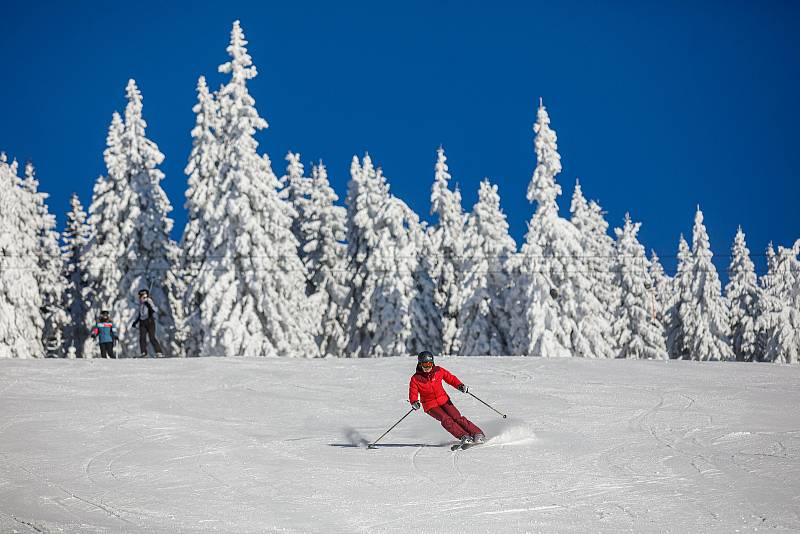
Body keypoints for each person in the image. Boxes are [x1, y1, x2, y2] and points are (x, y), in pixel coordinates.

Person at [408, 351, 485, 447]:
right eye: (425, 364)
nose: (428, 367)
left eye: (429, 364)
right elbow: (413, 392)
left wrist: (459, 385)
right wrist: (414, 402)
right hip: (430, 405)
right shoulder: (416, 379)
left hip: (444, 400)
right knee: (446, 419)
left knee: (457, 417)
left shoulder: (438, 371)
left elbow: (451, 378)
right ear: (420, 364)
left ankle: (477, 433)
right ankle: (464, 436)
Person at [132, 289, 164, 358]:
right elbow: (141, 314)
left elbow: (155, 310)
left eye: (140, 296)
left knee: (152, 337)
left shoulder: (149, 301)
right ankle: (143, 352)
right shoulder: (141, 303)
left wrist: (148, 305)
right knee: (142, 338)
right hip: (142, 323)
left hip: (150, 322)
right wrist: (135, 322)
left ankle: (159, 352)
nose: (139, 298)